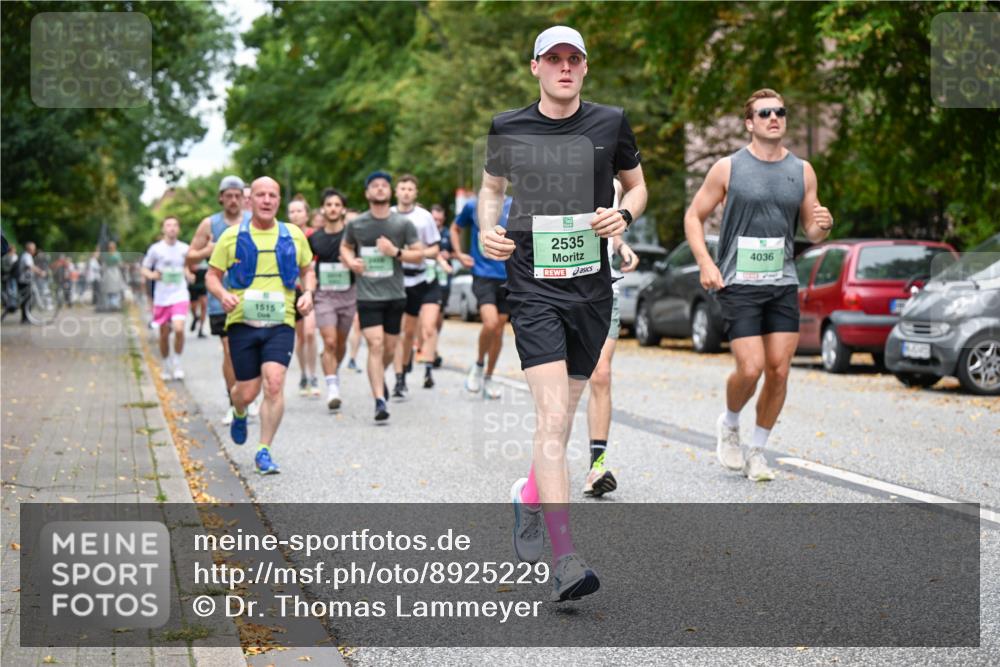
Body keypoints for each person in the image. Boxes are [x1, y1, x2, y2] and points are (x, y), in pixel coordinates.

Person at [479, 26, 647, 602]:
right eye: (554, 59)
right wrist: (488, 229)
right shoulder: (508, 126)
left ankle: (527, 497)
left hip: (591, 292)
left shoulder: (610, 123)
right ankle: (566, 559)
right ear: (536, 67)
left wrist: (624, 215)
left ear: (585, 67)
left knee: (563, 419)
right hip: (532, 287)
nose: (565, 67)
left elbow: (637, 187)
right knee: (552, 418)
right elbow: (491, 189)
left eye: (574, 58)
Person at [684, 88, 833, 482]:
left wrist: (823, 224)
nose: (774, 118)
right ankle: (730, 422)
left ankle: (757, 451)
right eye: (764, 113)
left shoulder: (802, 170)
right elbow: (693, 216)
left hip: (782, 281)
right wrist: (705, 263)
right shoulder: (728, 168)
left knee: (779, 371)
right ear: (749, 123)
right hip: (739, 282)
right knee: (750, 368)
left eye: (780, 111)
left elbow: (812, 230)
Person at [207, 176, 316, 475]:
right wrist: (222, 294)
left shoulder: (293, 235)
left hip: (281, 321)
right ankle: (239, 410)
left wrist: (308, 293)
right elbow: (212, 275)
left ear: (279, 200)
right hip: (242, 321)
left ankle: (263, 451)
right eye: (260, 195)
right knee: (246, 392)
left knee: (274, 383)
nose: (267, 200)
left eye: (272, 195)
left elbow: (308, 270)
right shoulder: (231, 237)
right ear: (249, 200)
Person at [339, 171, 422, 424]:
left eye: (384, 185)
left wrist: (395, 251)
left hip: (395, 294)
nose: (379, 188)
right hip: (368, 295)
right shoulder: (357, 224)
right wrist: (351, 262)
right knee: (375, 344)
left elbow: (418, 254)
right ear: (367, 193)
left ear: (390, 191)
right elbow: (345, 247)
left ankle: (379, 378)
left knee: (389, 348)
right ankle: (379, 400)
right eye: (374, 185)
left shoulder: (402, 224)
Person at [187, 176, 254, 425]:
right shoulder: (210, 224)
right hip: (220, 299)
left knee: (251, 348)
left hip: (251, 296)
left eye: (238, 196)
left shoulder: (254, 220)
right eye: (229, 196)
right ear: (221, 198)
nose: (234, 200)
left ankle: (248, 393)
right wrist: (207, 250)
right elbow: (190, 258)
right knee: (229, 350)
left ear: (244, 198)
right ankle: (234, 402)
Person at [452, 195, 513, 400]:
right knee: (491, 323)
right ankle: (478, 365)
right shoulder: (473, 205)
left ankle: (489, 376)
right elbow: (455, 228)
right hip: (483, 274)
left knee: (498, 330)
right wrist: (459, 254)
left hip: (508, 276)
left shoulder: (515, 205)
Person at [390, 174, 442, 395]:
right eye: (402, 188)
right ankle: (399, 378)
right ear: (396, 191)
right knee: (401, 331)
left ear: (415, 193)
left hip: (422, 278)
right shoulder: (388, 215)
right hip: (396, 279)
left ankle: (416, 367)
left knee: (416, 330)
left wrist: (415, 254)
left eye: (410, 189)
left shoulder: (424, 217)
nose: (406, 192)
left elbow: (435, 249)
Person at [310, 188, 357, 410]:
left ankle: (333, 370)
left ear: (343, 209)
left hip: (348, 294)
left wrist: (353, 263)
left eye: (337, 205)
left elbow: (362, 262)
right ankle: (332, 388)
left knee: (339, 343)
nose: (333, 208)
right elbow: (306, 266)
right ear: (322, 209)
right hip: (324, 295)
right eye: (329, 205)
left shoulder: (352, 235)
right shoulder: (314, 238)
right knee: (329, 341)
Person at [141, 217, 193, 380]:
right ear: (163, 229)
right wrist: (152, 275)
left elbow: (186, 266)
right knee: (164, 334)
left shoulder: (184, 248)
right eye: (168, 225)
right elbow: (144, 268)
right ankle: (166, 365)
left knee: (179, 329)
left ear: (178, 229)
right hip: (162, 297)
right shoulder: (156, 249)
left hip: (180, 294)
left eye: (175, 225)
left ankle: (177, 361)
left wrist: (188, 274)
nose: (172, 228)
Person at [288, 198, 320, 397]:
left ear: (307, 215)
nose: (295, 214)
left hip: (311, 289)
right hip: (292, 290)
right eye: (292, 211)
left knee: (310, 333)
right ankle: (303, 374)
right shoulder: (284, 236)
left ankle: (314, 375)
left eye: (299, 211)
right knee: (300, 336)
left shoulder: (315, 236)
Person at [429, 203, 453, 367]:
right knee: (428, 315)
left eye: (439, 219)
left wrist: (449, 254)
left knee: (438, 316)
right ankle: (430, 350)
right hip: (426, 279)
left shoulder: (448, 234)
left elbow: (456, 253)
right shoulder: (424, 232)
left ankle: (432, 346)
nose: (437, 222)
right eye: (434, 219)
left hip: (443, 280)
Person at [189, 258, 209, 338]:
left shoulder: (207, 256)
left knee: (204, 306)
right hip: (194, 285)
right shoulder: (193, 255)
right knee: (193, 307)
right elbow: (188, 267)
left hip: (203, 284)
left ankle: (201, 329)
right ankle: (195, 317)